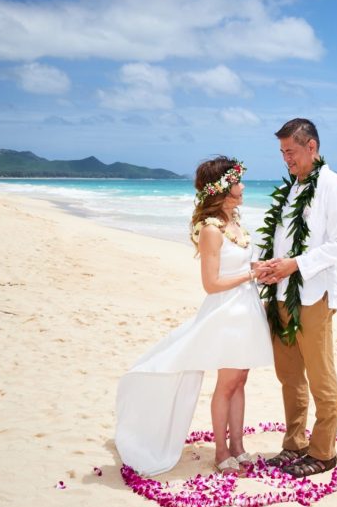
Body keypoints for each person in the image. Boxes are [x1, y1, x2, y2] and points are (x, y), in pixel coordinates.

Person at [115, 156, 273, 476]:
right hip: (226, 314)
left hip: (247, 311)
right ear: (223, 189)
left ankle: (239, 447)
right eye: (237, 182)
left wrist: (260, 273)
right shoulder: (211, 230)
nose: (243, 187)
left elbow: (242, 267)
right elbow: (211, 284)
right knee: (226, 384)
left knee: (240, 381)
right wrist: (250, 275)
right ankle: (221, 450)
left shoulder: (236, 224)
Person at [255, 118, 337, 478]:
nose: (287, 159)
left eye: (291, 152)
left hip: (314, 295)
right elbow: (283, 241)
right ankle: (294, 443)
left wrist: (294, 265)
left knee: (320, 376)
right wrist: (269, 266)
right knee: (290, 376)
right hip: (282, 293)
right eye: (282, 153)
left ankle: (324, 452)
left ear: (311, 147)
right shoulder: (292, 189)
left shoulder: (333, 186)